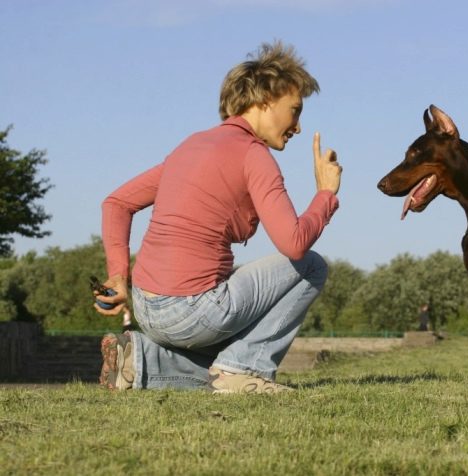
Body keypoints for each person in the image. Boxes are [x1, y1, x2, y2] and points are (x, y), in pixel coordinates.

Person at [93, 41, 342, 394]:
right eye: (295, 110)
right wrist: (326, 194)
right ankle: (243, 370)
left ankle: (144, 361)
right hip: (193, 311)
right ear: (266, 101)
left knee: (233, 322)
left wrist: (118, 276)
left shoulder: (190, 145)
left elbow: (116, 203)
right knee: (312, 267)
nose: (298, 126)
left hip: (147, 307)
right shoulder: (254, 156)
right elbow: (294, 243)